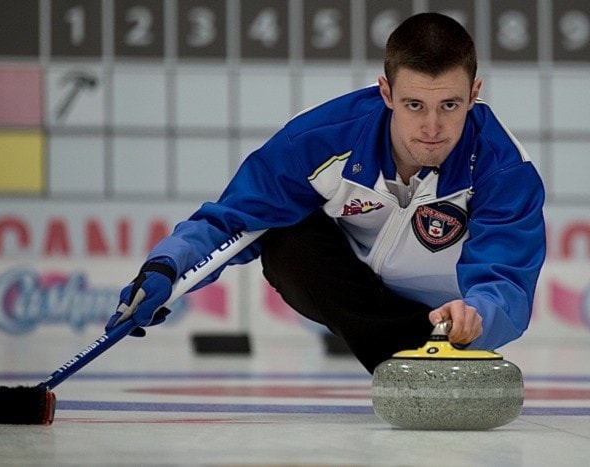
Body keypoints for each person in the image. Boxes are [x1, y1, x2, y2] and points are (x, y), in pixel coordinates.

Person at [105, 12, 546, 373]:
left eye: (449, 106)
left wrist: (478, 316)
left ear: (473, 95)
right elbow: (233, 220)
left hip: (447, 314)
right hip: (352, 290)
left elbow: (507, 280)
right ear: (386, 93)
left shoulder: (503, 166)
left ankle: (429, 353)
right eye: (415, 105)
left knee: (474, 313)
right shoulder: (319, 140)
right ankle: (411, 362)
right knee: (282, 239)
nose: (432, 127)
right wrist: (166, 268)